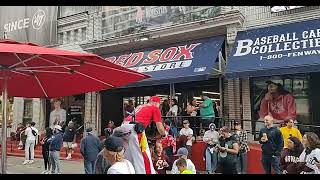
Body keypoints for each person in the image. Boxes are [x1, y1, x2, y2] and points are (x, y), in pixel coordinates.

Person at [123, 96, 166, 174]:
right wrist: (164, 134)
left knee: (129, 156)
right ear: (157, 103)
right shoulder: (155, 108)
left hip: (123, 127)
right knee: (144, 156)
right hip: (135, 129)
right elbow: (159, 126)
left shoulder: (141, 106)